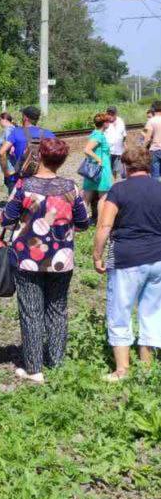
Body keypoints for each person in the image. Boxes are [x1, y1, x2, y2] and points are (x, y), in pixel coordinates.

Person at [0, 136, 91, 384]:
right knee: (58, 309)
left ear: (40, 156)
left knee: (31, 312)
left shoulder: (24, 187)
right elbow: (83, 223)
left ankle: (34, 368)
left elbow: (6, 219)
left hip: (28, 259)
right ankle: (56, 362)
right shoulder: (71, 188)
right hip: (62, 260)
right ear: (62, 161)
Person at [93, 143, 161, 380]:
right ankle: (147, 367)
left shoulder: (118, 191)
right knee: (152, 312)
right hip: (158, 257)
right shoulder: (159, 188)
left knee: (119, 312)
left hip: (126, 258)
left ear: (125, 166)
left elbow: (104, 226)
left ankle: (122, 369)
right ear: (148, 165)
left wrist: (97, 255)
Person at [0, 105, 55, 191]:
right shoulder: (48, 133)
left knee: (17, 202)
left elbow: (1, 152)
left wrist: (6, 172)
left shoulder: (16, 132)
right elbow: (56, 153)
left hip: (21, 178)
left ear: (25, 118)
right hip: (42, 177)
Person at [81, 113, 113, 216]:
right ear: (104, 123)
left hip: (92, 170)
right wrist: (99, 159)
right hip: (101, 170)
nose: (109, 123)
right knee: (103, 197)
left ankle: (81, 222)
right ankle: (101, 221)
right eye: (108, 121)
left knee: (87, 197)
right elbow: (87, 150)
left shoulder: (95, 133)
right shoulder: (99, 135)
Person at [104, 106, 127, 182]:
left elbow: (124, 135)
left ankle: (112, 186)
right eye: (108, 113)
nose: (110, 115)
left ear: (116, 114)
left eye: (112, 114)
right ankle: (106, 188)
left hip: (118, 151)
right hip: (107, 151)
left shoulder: (120, 121)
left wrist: (125, 148)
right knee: (106, 170)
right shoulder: (104, 122)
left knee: (114, 170)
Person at [143, 105, 161, 180]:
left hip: (155, 150)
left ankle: (156, 190)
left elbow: (147, 138)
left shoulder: (151, 121)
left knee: (155, 175)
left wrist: (143, 148)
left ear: (154, 110)